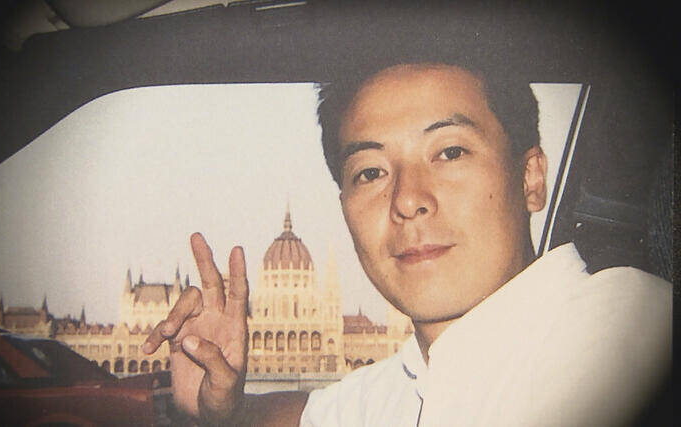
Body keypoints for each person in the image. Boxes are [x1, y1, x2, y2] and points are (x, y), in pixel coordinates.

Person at [142, 61, 671, 426]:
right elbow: (304, 417)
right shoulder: (404, 383)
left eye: (450, 152)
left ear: (531, 178)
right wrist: (224, 409)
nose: (408, 199)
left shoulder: (631, 333)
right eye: (371, 171)